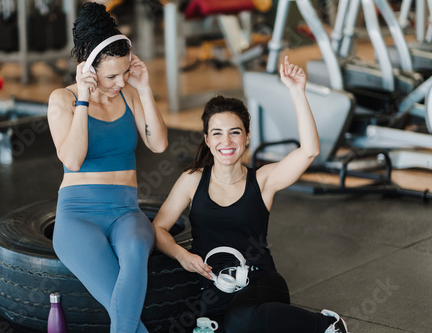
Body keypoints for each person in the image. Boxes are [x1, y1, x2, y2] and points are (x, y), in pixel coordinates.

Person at [152, 57, 349, 333]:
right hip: (214, 288)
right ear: (207, 140)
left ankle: (327, 325)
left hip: (261, 281)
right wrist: (180, 254)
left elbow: (309, 151)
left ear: (246, 137)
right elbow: (158, 228)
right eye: (217, 134)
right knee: (233, 325)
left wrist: (297, 91)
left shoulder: (263, 180)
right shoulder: (192, 180)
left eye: (235, 133)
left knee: (241, 320)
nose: (226, 142)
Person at [47, 3, 167, 333]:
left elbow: (158, 144)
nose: (119, 81)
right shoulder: (63, 100)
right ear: (88, 68)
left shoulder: (129, 93)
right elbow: (71, 160)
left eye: (125, 72)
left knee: (136, 246)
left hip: (126, 211)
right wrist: (84, 99)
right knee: (126, 316)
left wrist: (143, 88)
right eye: (111, 75)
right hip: (78, 215)